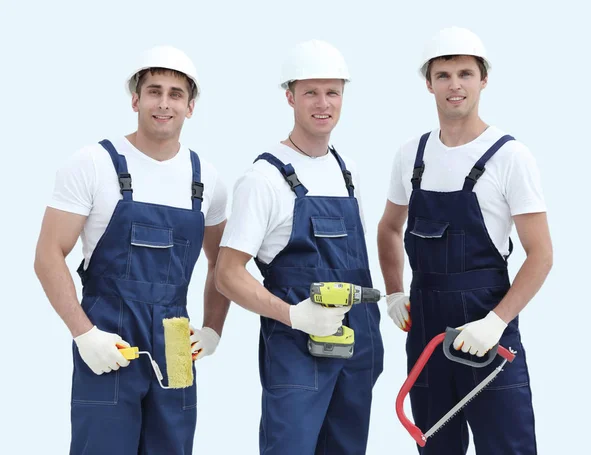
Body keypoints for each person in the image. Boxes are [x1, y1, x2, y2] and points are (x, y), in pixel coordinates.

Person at [33, 45, 230, 454]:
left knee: (173, 446)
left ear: (191, 106)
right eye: (154, 91)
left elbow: (222, 264)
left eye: (176, 94)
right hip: (109, 334)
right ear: (136, 100)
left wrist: (212, 328)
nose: (164, 103)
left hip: (176, 338)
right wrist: (84, 333)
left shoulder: (206, 179)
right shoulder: (93, 163)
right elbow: (48, 255)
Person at [377, 26, 553, 454]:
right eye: (443, 75)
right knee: (435, 447)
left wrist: (496, 322)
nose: (454, 85)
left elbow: (541, 255)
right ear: (429, 83)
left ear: (483, 80)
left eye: (465, 73)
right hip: (426, 329)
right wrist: (395, 292)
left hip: (487, 324)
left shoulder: (510, 156)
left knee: (507, 447)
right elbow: (387, 228)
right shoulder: (411, 155)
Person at [214, 39, 383, 454]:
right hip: (296, 350)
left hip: (357, 344)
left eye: (332, 92)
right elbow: (227, 274)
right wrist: (293, 314)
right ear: (289, 97)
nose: (322, 103)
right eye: (310, 92)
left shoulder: (349, 172)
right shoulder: (264, 179)